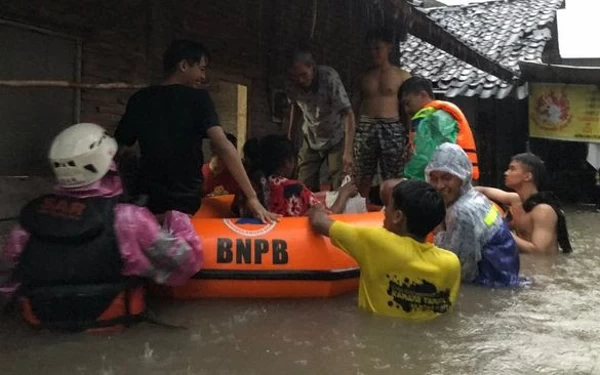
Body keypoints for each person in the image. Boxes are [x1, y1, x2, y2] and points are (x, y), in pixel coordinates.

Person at [0, 123, 203, 331]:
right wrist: (178, 218)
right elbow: (185, 264)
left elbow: (6, 284)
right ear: (109, 164)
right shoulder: (129, 219)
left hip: (41, 329)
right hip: (115, 331)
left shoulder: (27, 225)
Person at [115, 39, 278, 222]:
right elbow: (223, 144)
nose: (203, 76)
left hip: (148, 199)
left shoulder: (140, 99)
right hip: (184, 201)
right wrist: (252, 197)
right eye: (201, 69)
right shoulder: (198, 99)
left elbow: (119, 146)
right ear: (184, 65)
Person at [308, 179, 460, 320]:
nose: (384, 211)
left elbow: (318, 222)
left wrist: (317, 207)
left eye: (388, 206)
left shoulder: (375, 242)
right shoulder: (451, 263)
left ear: (397, 216)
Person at [425, 143, 520, 287]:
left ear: (463, 177)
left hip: (490, 286)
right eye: (434, 179)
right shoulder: (475, 198)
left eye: (446, 178)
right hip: (505, 280)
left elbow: (461, 272)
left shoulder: (463, 211)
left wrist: (439, 234)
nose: (439, 186)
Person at [286, 44, 356, 191]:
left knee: (340, 181)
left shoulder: (329, 78)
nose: (300, 80)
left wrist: (348, 151)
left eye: (303, 75)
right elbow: (296, 108)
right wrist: (290, 140)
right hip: (311, 135)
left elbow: (348, 114)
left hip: (336, 135)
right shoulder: (292, 84)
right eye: (295, 76)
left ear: (312, 67)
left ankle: (339, 212)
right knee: (303, 182)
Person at [234, 135, 358, 217]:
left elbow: (234, 210)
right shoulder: (293, 189)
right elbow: (329, 217)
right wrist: (343, 194)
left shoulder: (247, 187)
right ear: (287, 162)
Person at [353, 28, 411, 197]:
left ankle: (394, 211)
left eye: (378, 48)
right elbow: (354, 107)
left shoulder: (402, 76)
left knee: (394, 176)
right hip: (366, 126)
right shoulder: (363, 77)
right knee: (362, 176)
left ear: (389, 48)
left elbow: (409, 109)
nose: (374, 53)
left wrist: (411, 135)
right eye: (370, 49)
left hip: (392, 126)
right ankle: (359, 213)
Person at [475, 153, 572, 254]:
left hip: (542, 267)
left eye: (512, 169)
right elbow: (484, 190)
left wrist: (499, 229)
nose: (506, 173)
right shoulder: (515, 200)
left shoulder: (543, 210)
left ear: (527, 176)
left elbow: (538, 251)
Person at [399, 76, 479, 182]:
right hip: (451, 178)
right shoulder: (432, 116)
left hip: (451, 181)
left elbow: (430, 156)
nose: (406, 110)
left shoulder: (439, 117)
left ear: (423, 95)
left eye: (408, 103)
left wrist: (410, 177)